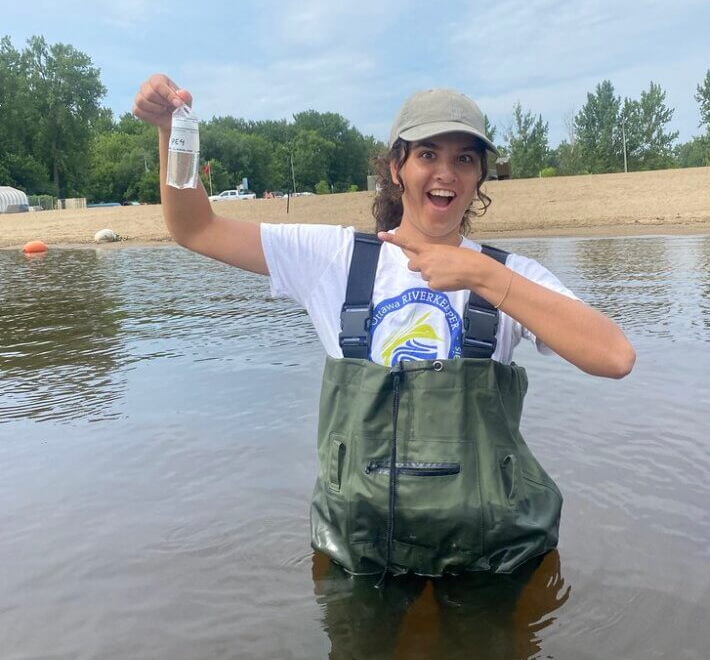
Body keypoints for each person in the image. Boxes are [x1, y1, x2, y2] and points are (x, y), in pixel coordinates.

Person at [133, 76, 635, 579]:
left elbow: (615, 357)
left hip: (491, 557)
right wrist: (171, 133)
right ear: (396, 168)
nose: (446, 173)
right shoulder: (333, 258)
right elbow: (195, 228)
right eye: (428, 154)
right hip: (359, 552)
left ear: (480, 176)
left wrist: (485, 276)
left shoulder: (511, 276)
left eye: (465, 158)